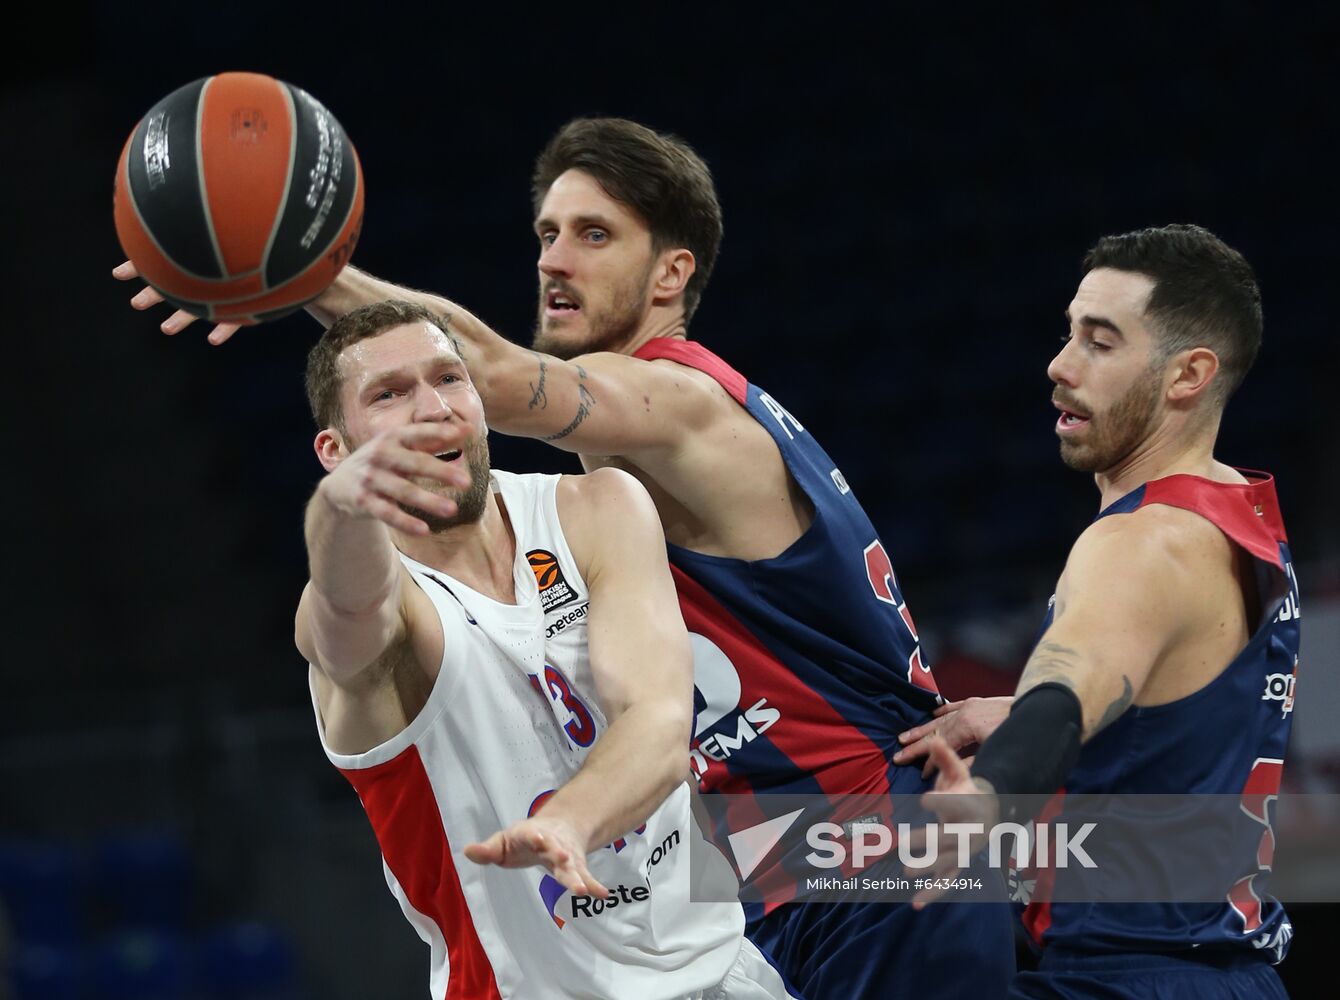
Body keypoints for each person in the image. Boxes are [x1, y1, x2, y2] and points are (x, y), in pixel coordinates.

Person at [117, 117, 1015, 998]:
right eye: (547, 233)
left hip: (861, 851)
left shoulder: (674, 401)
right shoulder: (628, 457)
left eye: (594, 235)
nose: (554, 260)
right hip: (812, 860)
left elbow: (500, 382)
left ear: (673, 272)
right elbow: (348, 620)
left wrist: (293, 264)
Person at [293, 298, 795, 999]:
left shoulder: (596, 508)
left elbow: (655, 720)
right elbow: (347, 618)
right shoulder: (388, 611)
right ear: (335, 451)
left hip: (722, 972)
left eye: (449, 377)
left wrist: (569, 819)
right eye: (390, 394)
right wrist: (339, 510)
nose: (434, 407)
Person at [906, 224, 1299, 998]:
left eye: (1101, 342)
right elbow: (1183, 704)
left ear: (1187, 374)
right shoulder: (1234, 511)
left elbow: (1065, 697)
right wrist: (1017, 708)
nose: (1059, 365)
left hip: (1126, 977)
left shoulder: (1140, 543)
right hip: (1221, 974)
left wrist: (990, 793)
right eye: (1068, 334)